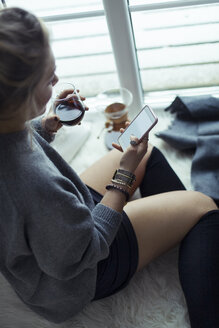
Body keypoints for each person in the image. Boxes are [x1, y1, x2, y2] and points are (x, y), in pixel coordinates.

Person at [0, 7, 218, 326]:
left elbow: (16, 149)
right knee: (204, 206)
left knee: (145, 152)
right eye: (49, 77)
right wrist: (124, 177)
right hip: (82, 275)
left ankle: (187, 236)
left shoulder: (10, 130)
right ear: (21, 95)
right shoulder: (37, 184)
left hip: (53, 237)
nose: (58, 80)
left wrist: (45, 125)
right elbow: (90, 247)